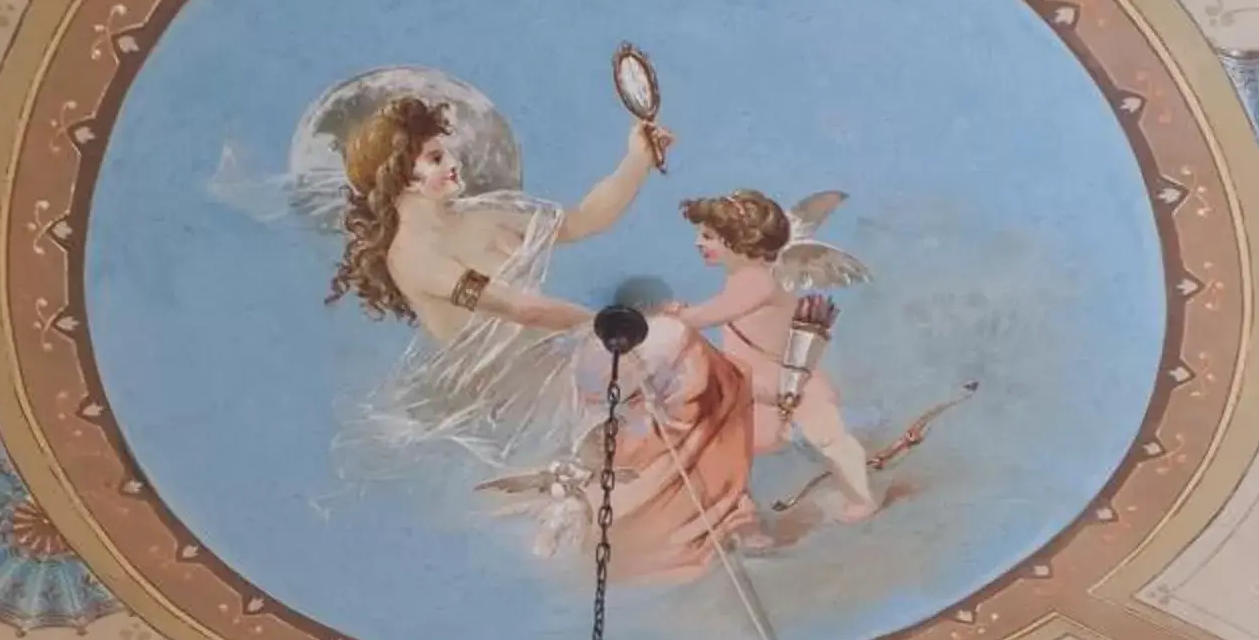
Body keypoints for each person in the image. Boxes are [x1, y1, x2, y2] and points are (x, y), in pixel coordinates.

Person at [329, 93, 665, 481]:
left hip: (558, 363)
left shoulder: (480, 215)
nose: (454, 164)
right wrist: (604, 325)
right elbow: (519, 309)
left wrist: (637, 161)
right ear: (400, 175)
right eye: (436, 158)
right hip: (519, 399)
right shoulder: (413, 256)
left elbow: (581, 221)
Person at [668, 190, 877, 521]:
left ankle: (861, 499)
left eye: (708, 236)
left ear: (737, 239)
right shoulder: (741, 277)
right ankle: (742, 515)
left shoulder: (756, 281)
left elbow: (719, 312)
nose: (698, 243)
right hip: (757, 387)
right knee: (726, 448)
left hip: (788, 380)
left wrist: (680, 317)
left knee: (830, 439)